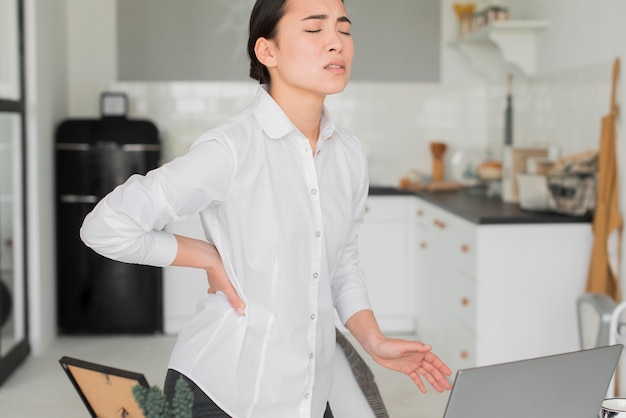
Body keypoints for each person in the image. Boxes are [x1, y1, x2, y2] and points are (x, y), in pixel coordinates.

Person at [80, 0, 452, 416]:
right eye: (314, 29)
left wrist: (374, 339)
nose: (336, 43)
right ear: (267, 52)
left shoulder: (348, 154)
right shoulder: (231, 149)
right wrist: (204, 255)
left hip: (306, 393)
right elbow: (106, 227)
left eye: (344, 30)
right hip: (221, 392)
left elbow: (341, 263)